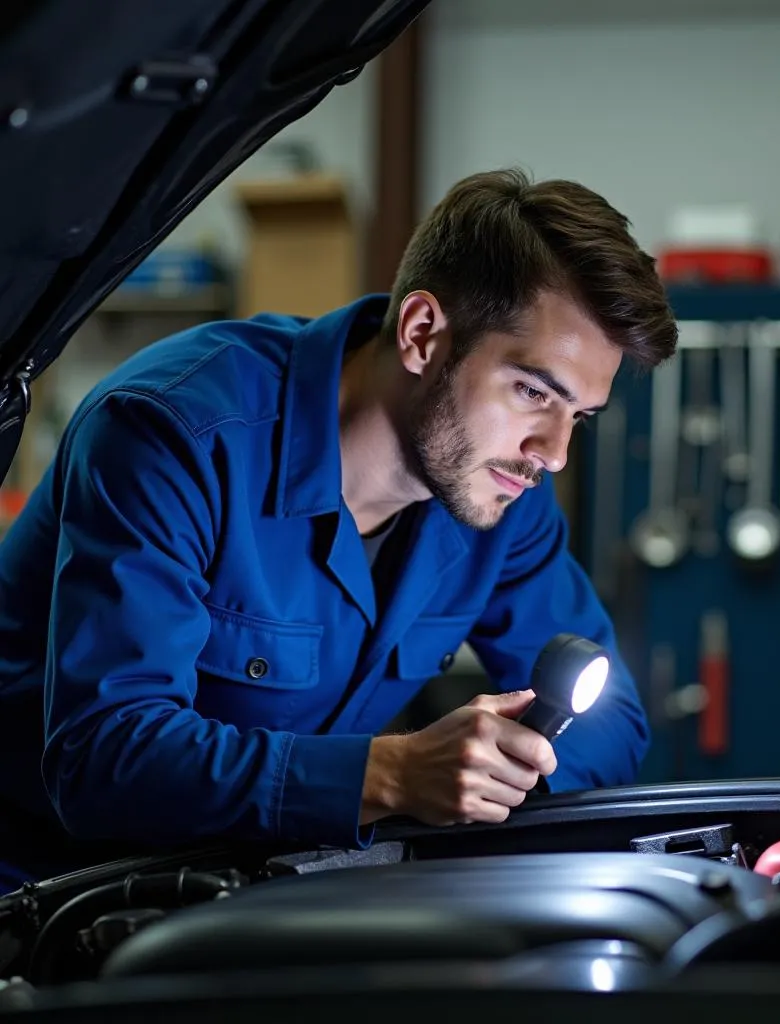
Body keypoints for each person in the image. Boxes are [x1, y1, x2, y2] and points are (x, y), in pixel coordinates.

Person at [0, 168, 678, 892]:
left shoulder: (504, 494)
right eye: (534, 392)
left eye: (578, 415)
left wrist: (505, 777)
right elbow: (104, 758)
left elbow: (611, 725)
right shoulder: (174, 434)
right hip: (41, 898)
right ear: (423, 335)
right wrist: (393, 772)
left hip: (250, 892)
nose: (553, 452)